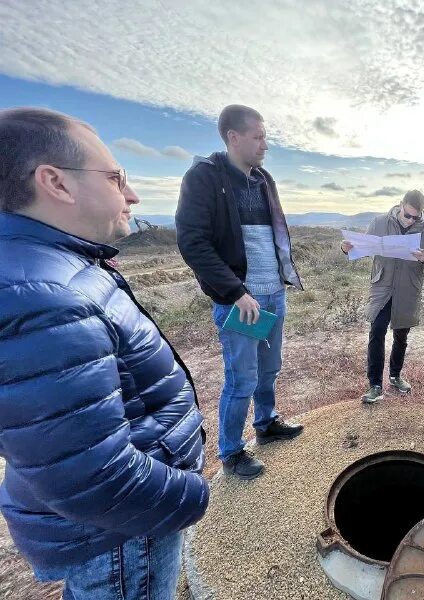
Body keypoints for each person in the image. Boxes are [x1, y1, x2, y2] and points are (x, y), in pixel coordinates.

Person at [0, 108, 208, 599]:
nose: (132, 195)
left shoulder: (46, 269)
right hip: (120, 537)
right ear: (56, 182)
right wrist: (192, 495)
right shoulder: (47, 297)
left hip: (113, 532)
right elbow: (94, 479)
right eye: (116, 178)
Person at [176, 104, 303, 480]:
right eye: (258, 136)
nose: (265, 144)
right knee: (242, 378)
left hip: (272, 294)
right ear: (233, 137)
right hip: (243, 302)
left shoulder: (263, 179)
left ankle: (266, 422)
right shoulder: (204, 177)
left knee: (269, 370)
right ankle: (231, 451)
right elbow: (193, 243)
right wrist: (235, 292)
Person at [340, 190, 424, 403]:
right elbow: (362, 248)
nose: (411, 220)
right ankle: (375, 385)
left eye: (416, 217)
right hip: (382, 288)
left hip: (408, 290)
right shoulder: (379, 223)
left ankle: (395, 376)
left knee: (401, 335)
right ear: (401, 205)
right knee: (376, 332)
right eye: (408, 215)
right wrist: (346, 248)